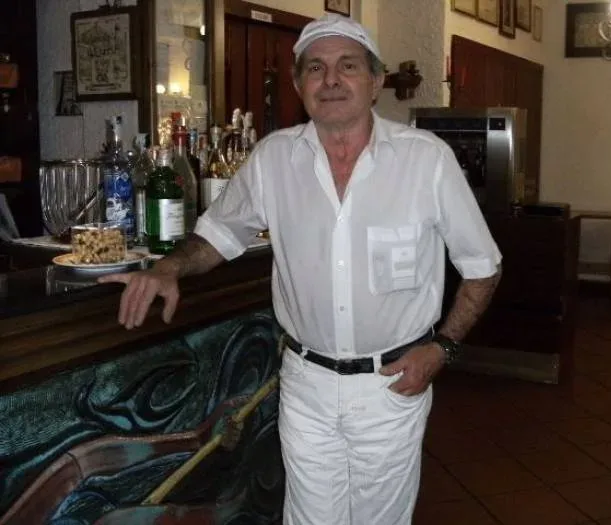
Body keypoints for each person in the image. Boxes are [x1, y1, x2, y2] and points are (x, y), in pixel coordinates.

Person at [99, 13, 502, 525]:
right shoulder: (274, 159)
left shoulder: (427, 161)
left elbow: (483, 266)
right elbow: (219, 235)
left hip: (392, 382)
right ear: (298, 85)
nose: (331, 80)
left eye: (348, 66)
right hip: (306, 384)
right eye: (316, 68)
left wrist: (443, 348)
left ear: (375, 81)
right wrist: (168, 268)